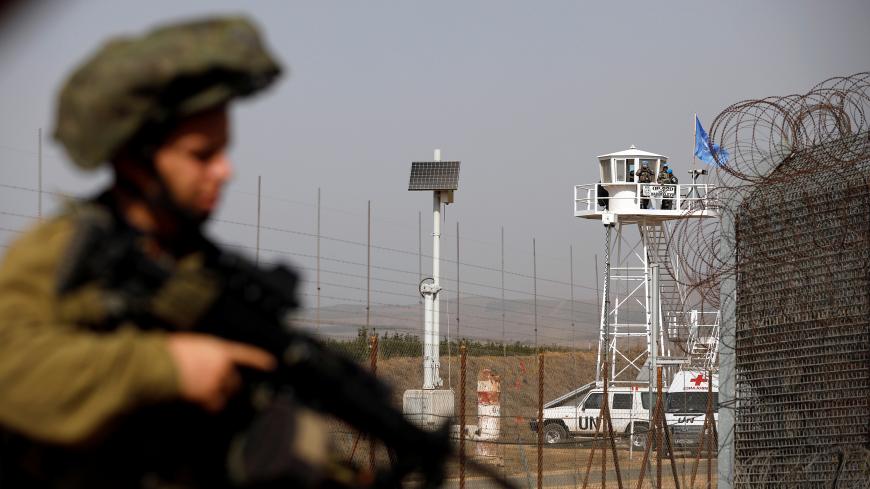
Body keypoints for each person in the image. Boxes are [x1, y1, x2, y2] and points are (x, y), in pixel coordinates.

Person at [0, 17, 331, 488]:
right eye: (202, 155)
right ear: (137, 161)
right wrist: (169, 366)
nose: (225, 171)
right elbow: (11, 370)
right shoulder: (59, 252)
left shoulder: (205, 271)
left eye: (224, 151)